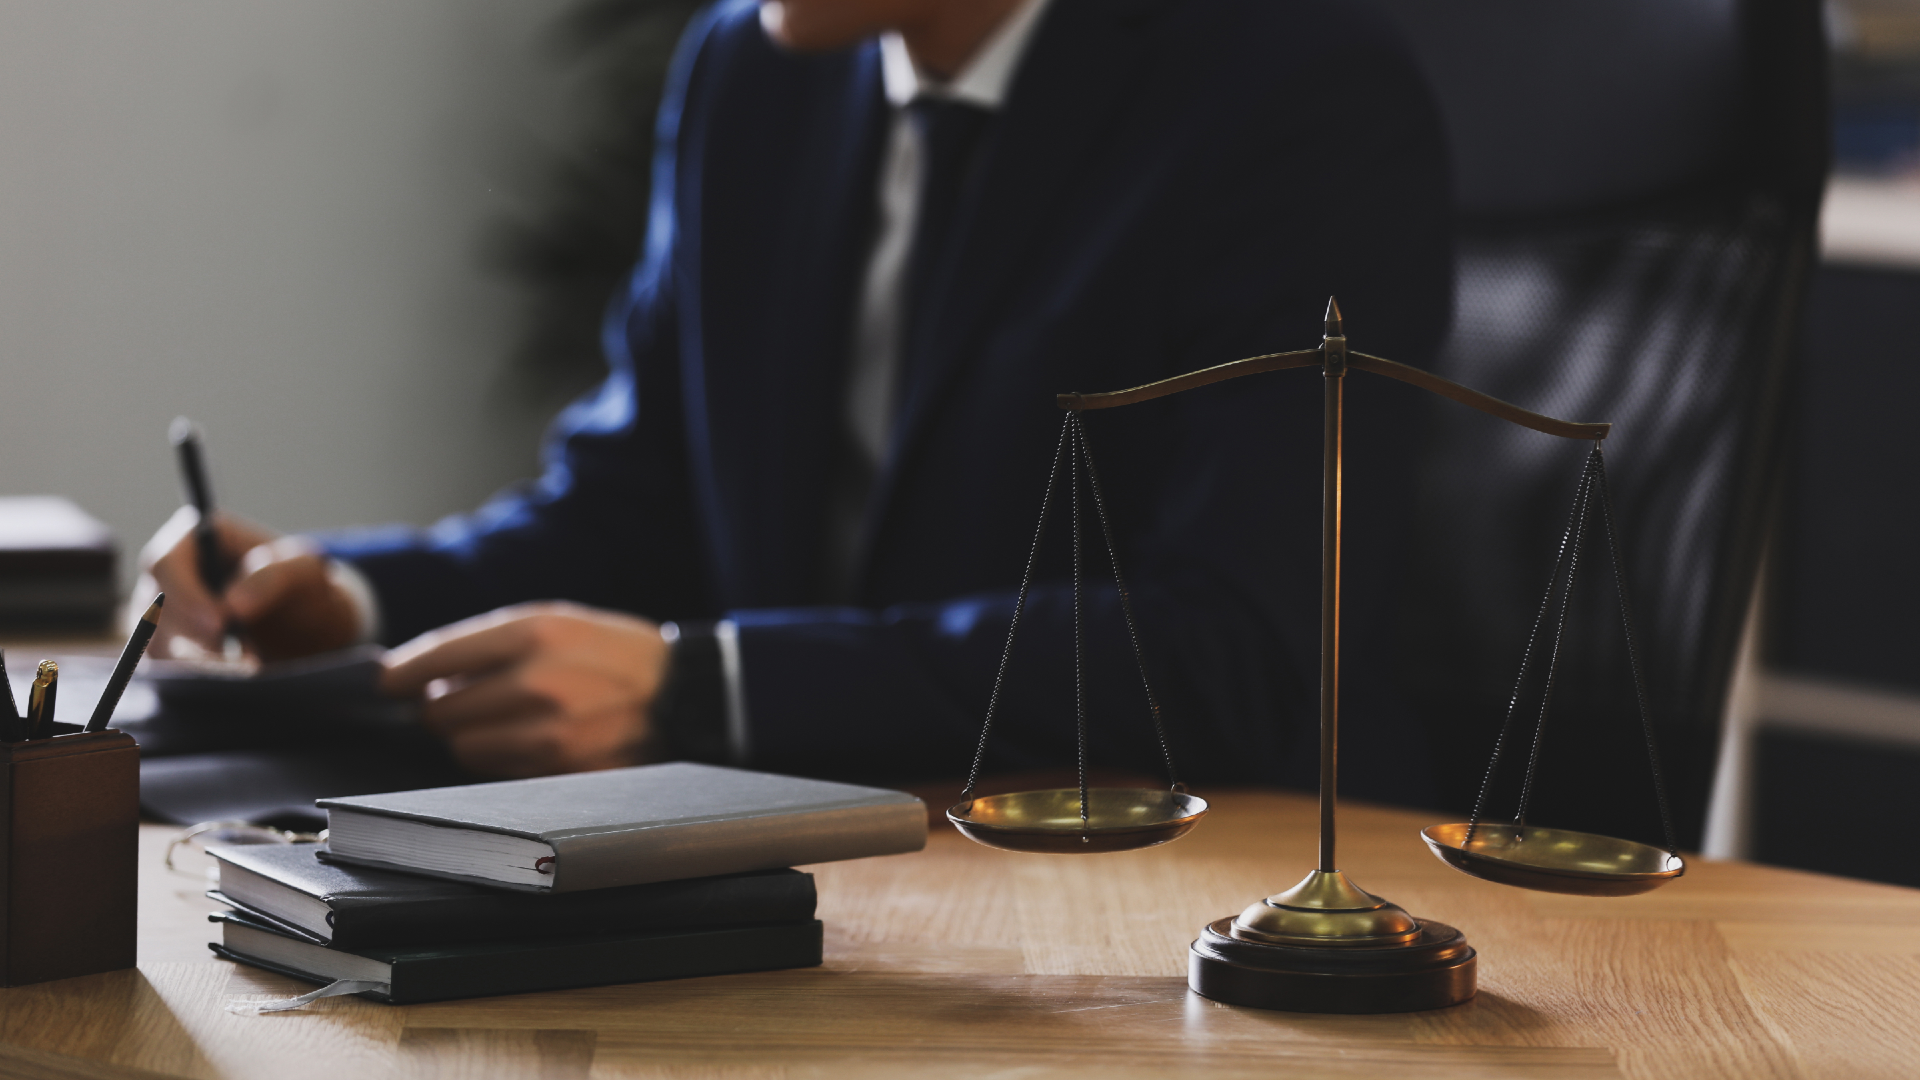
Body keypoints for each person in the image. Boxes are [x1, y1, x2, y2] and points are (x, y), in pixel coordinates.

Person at [138, 0, 1453, 794]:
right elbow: (638, 507)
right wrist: (346, 602)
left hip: (1180, 899)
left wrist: (707, 690)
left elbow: (1240, 652)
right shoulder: (749, 74)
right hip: (835, 864)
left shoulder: (1294, 86)